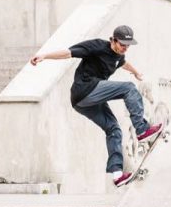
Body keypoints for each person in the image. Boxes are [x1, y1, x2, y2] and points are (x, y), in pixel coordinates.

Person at [30, 25, 164, 187]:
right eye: (122, 44)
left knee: (113, 129)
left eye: (127, 46)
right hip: (84, 89)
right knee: (129, 88)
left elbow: (123, 63)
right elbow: (68, 53)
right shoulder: (97, 46)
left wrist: (135, 72)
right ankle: (142, 129)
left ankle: (117, 174)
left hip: (83, 103)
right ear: (113, 40)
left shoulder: (119, 55)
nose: (125, 48)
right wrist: (45, 56)